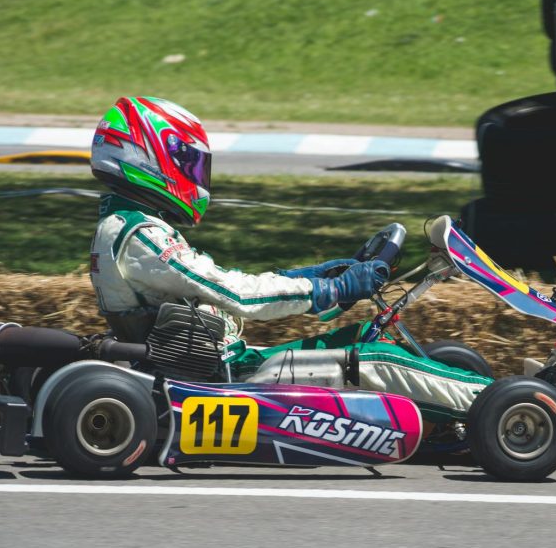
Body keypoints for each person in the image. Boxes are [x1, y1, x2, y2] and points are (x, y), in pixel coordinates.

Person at [89, 96, 492, 422]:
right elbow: (236, 295)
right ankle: (502, 405)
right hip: (225, 380)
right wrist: (327, 288)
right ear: (147, 156)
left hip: (215, 368)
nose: (195, 175)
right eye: (188, 163)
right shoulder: (139, 235)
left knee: (363, 338)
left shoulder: (129, 226)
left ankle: (461, 409)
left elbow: (214, 287)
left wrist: (310, 276)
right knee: (377, 360)